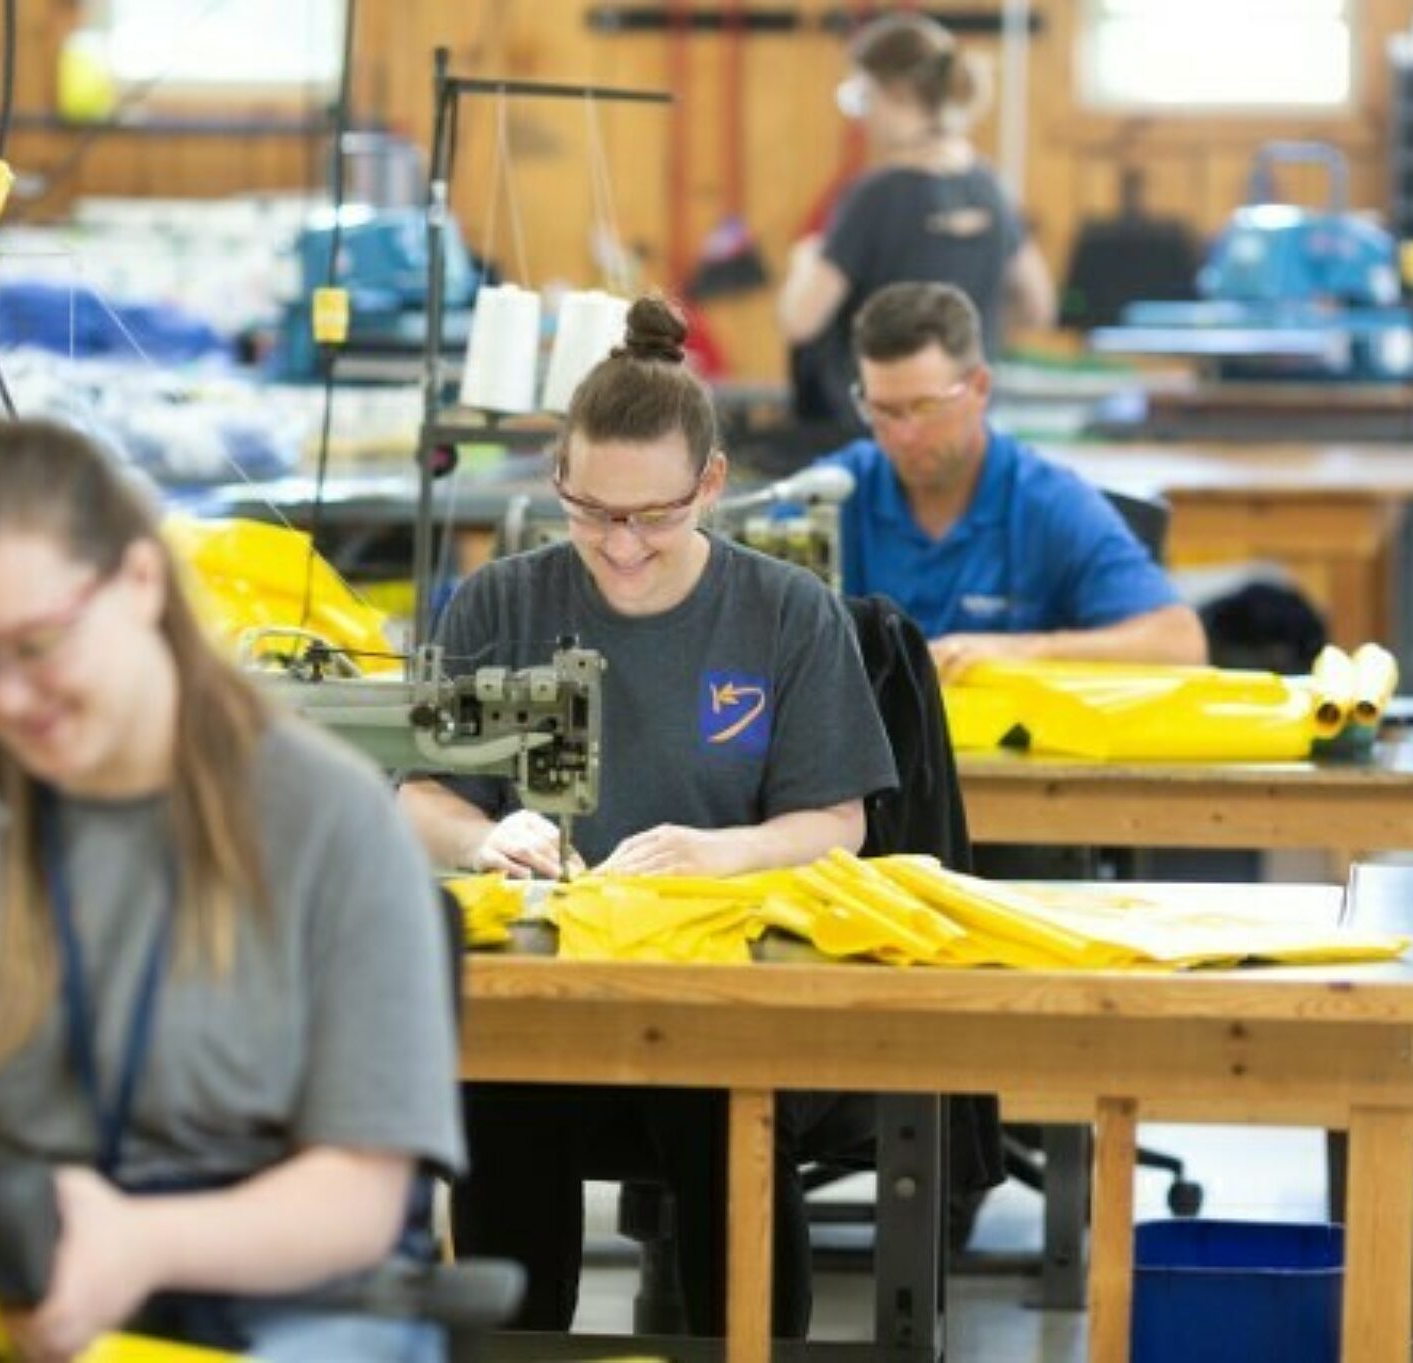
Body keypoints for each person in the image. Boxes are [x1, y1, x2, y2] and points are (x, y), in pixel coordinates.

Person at [0, 420, 463, 1363]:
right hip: (6, 1268)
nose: (4, 697)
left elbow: (359, 1200)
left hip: (275, 1297)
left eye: (36, 644)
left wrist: (136, 1245)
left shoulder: (331, 821)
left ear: (137, 583)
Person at [398, 295, 897, 1337]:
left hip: (723, 997)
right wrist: (483, 835)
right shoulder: (500, 603)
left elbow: (836, 819)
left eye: (652, 517)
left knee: (731, 1127)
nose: (619, 547)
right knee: (497, 1103)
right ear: (556, 482)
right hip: (547, 995)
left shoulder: (786, 614)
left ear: (710, 485)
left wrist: (718, 851)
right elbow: (422, 793)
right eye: (591, 513)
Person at [819, 281, 1207, 679]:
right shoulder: (831, 493)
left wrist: (1026, 650)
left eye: (925, 407)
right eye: (883, 410)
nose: (903, 434)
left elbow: (1179, 641)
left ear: (980, 387)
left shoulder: (1047, 502)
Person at [778, 11, 1056, 424]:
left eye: (863, 97)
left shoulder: (876, 196)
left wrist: (803, 261)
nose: (862, 116)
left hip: (880, 433)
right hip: (962, 429)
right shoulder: (989, 188)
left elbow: (801, 321)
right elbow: (1037, 308)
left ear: (893, 92)